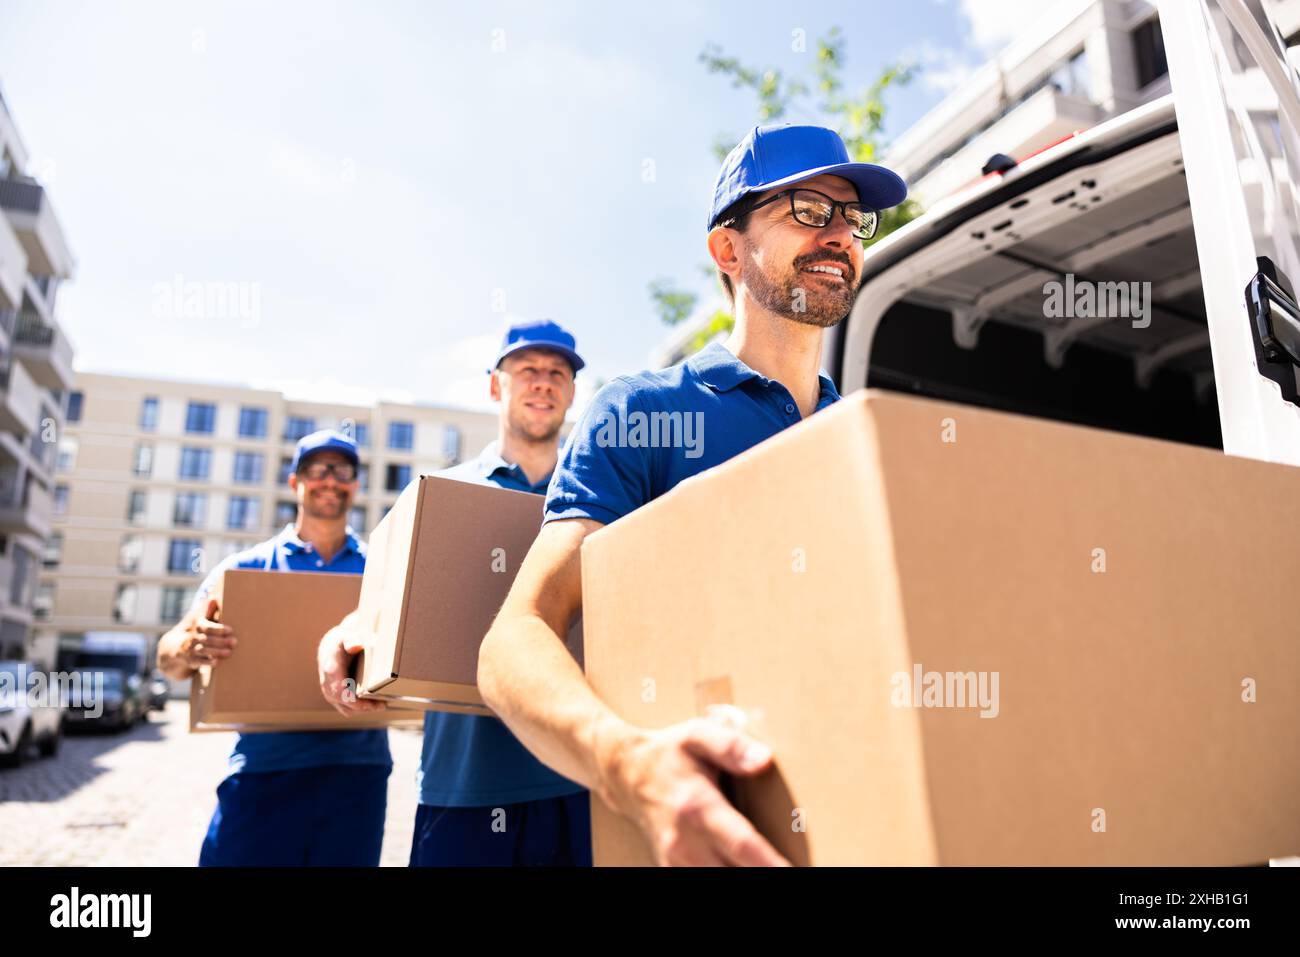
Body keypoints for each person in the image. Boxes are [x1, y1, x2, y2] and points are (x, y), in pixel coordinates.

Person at [476, 125, 908, 865]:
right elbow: (512, 640)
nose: (841, 233)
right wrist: (627, 764)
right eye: (809, 208)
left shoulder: (863, 435)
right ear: (728, 250)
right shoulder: (643, 413)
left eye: (853, 218)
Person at [318, 320, 590, 866]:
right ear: (496, 386)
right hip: (463, 789)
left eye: (558, 373)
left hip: (577, 783)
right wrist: (339, 640)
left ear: (572, 392)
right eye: (528, 370)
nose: (544, 383)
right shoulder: (441, 493)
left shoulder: (597, 494)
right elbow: (383, 610)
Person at [158, 430, 391, 866]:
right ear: (295, 482)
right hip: (263, 771)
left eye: (341, 470)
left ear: (355, 484)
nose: (329, 479)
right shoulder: (245, 569)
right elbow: (168, 658)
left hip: (356, 775)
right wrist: (189, 647)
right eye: (316, 469)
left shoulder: (381, 571)